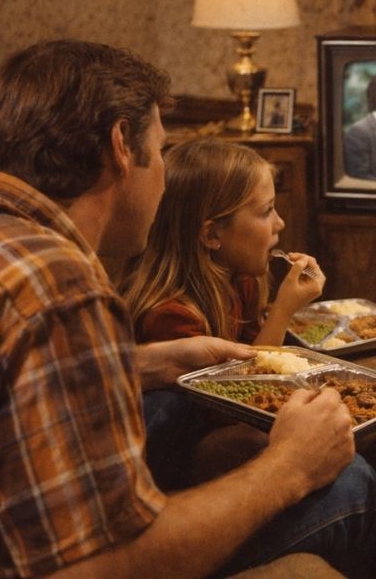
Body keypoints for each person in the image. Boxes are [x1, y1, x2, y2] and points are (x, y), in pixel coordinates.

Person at [0, 39, 376, 578]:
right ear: (122, 146)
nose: (165, 183)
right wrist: (287, 468)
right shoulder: (61, 287)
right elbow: (89, 568)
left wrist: (141, 364)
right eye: (163, 153)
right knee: (353, 485)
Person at [117, 137, 327, 489]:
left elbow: (252, 357)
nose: (280, 224)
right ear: (212, 234)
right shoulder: (170, 315)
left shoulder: (238, 279)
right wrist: (284, 311)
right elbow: (235, 400)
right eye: (265, 212)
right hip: (183, 464)